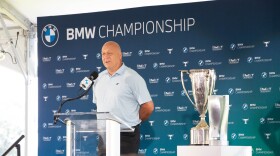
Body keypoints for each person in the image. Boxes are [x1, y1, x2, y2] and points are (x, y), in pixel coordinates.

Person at [92, 41, 154, 155]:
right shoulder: (98, 79)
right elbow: (99, 106)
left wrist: (133, 120)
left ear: (120, 56)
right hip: (104, 137)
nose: (106, 57)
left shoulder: (132, 77)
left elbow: (148, 107)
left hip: (126, 136)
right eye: (103, 54)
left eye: (109, 53)